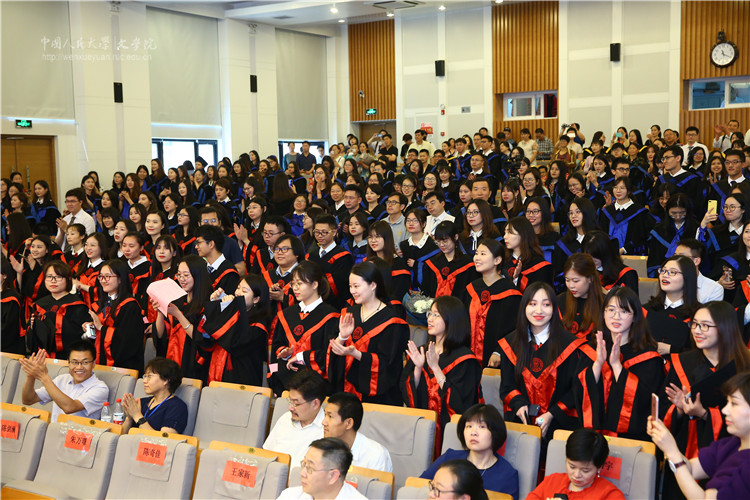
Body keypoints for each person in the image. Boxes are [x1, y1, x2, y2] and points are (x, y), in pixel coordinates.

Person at [659, 301, 750, 497]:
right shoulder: (682, 362)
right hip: (686, 447)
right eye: (695, 324)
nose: (697, 331)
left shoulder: (745, 365)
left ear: (725, 328)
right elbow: (664, 408)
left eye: (705, 326)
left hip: (730, 448)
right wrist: (679, 409)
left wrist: (704, 414)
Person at [498, 282, 585, 438]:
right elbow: (507, 386)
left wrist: (552, 414)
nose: (539, 311)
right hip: (522, 424)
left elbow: (576, 390)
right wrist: (518, 403)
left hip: (559, 425)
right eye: (532, 304)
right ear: (524, 307)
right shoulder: (510, 343)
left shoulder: (570, 346)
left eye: (546, 304)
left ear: (554, 308)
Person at [577, 287, 664, 440]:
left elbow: (643, 402)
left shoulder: (648, 357)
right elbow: (578, 393)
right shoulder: (593, 349)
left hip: (631, 440)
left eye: (624, 311)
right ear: (603, 313)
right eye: (611, 310)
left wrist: (617, 366)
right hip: (593, 437)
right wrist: (598, 364)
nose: (616, 317)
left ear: (635, 316)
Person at [648, 371, 750, 500]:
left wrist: (672, 452)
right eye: (727, 402)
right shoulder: (732, 444)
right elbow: (691, 468)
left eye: (734, 403)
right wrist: (666, 444)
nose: (725, 410)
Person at [327, 262, 409, 405]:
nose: (352, 291)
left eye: (356, 286)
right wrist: (342, 337)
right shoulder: (348, 313)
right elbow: (331, 355)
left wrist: (356, 354)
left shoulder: (392, 322)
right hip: (345, 392)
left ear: (373, 285)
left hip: (376, 399)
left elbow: (389, 365)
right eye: (350, 286)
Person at [402, 296, 482, 431]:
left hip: (450, 431)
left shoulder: (465, 360)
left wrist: (435, 368)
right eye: (430, 314)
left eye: (436, 315)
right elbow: (408, 394)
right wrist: (418, 368)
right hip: (422, 428)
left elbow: (461, 404)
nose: (430, 319)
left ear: (452, 320)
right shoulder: (422, 352)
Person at [269, 261, 340, 395]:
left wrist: (301, 356)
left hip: (315, 389)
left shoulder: (331, 317)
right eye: (293, 284)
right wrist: (284, 352)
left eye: (300, 283)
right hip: (284, 385)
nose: (295, 288)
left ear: (314, 284)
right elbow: (274, 353)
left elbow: (329, 358)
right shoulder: (286, 314)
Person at [421, 404, 519, 499]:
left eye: (482, 426)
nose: (473, 433)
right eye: (469, 426)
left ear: (495, 432)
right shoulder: (449, 457)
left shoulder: (507, 474)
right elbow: (419, 485)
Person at [461, 239, 521, 367]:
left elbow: (515, 330)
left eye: (483, 254)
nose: (477, 258)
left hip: (498, 360)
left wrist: (499, 352)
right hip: (468, 358)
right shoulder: (471, 289)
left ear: (497, 260)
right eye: (476, 253)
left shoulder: (510, 294)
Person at [20, 340, 109, 422]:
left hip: (78, 433)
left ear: (94, 363)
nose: (79, 367)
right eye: (74, 362)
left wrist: (43, 377)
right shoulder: (61, 379)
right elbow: (28, 400)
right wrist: (31, 375)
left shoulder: (100, 388)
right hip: (54, 432)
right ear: (68, 363)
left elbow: (70, 407)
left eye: (85, 362)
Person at [527, 428, 625, 499]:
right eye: (572, 466)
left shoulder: (610, 495)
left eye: (585, 470)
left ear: (599, 467)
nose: (576, 475)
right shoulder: (552, 481)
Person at [86, 259, 145, 372]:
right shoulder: (102, 304)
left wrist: (101, 328)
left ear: (120, 279)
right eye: (101, 276)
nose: (103, 280)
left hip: (123, 367)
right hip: (101, 361)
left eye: (108, 276)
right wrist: (92, 328)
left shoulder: (130, 306)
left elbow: (127, 342)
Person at [263, 370, 327, 467]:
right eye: (290, 401)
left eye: (296, 403)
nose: (290, 408)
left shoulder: (327, 431)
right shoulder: (285, 419)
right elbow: (266, 454)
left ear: (315, 404)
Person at [27, 260, 89, 360]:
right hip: (41, 358)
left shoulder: (77, 306)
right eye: (49, 276)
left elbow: (79, 338)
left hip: (68, 359)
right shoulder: (38, 305)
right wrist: (33, 327)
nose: (53, 280)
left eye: (58, 277)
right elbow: (31, 340)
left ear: (68, 279)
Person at [322, 392, 393, 472]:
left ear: (349, 423)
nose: (323, 422)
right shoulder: (321, 448)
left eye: (330, 416)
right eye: (325, 415)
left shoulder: (376, 455)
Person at [277, 437, 366, 500]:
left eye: (310, 468)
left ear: (333, 476)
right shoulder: (290, 496)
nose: (302, 473)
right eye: (304, 464)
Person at [645, 255, 700, 355]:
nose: (665, 275)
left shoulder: (699, 314)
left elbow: (702, 352)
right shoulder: (646, 310)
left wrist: (671, 349)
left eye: (672, 272)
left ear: (687, 277)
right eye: (663, 271)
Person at [121, 357, 188, 434]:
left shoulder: (177, 407)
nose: (144, 381)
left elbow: (164, 438)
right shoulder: (142, 402)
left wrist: (137, 416)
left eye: (149, 376)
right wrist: (129, 418)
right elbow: (121, 436)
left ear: (165, 380)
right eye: (145, 376)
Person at [421, 221, 478, 299]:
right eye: (438, 241)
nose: (441, 245)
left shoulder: (468, 265)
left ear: (456, 237)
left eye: (445, 241)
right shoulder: (432, 264)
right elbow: (426, 291)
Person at [559, 253, 604, 339]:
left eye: (576, 281)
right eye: (567, 280)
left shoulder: (604, 304)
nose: (571, 286)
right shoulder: (560, 301)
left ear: (590, 279)